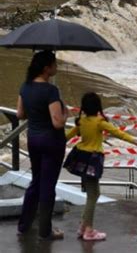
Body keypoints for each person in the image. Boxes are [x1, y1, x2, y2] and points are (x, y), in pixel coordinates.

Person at [65, 92, 137, 241]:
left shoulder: (81, 121)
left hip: (80, 157)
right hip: (93, 160)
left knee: (92, 193)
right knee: (93, 195)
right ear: (97, 107)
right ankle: (89, 230)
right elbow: (118, 133)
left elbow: (67, 136)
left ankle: (83, 226)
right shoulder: (99, 122)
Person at [16, 51, 68, 240]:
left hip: (33, 140)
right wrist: (66, 113)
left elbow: (20, 114)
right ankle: (45, 231)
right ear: (46, 68)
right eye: (54, 64)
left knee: (36, 181)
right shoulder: (50, 91)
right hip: (52, 142)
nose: (56, 67)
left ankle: (23, 225)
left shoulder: (25, 87)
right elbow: (57, 122)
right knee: (48, 185)